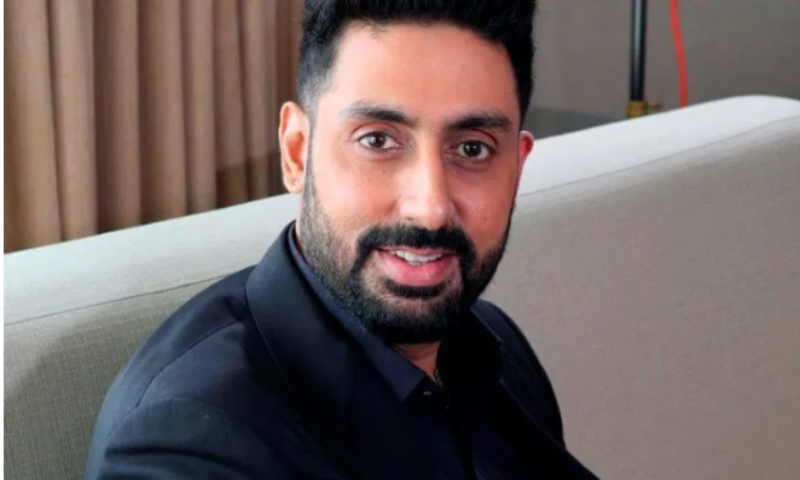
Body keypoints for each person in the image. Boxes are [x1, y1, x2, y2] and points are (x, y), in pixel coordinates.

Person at [84, 1, 597, 478]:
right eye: (378, 140)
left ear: (518, 167)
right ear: (296, 152)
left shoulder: (495, 346)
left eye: (472, 148)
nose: (431, 207)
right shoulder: (184, 439)